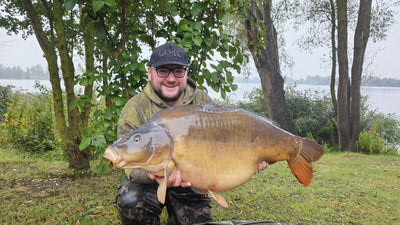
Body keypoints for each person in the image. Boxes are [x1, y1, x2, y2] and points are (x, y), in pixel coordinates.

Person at [115, 42, 268, 225]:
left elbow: (222, 147)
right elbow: (130, 167)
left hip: (192, 183)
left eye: (178, 71)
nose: (171, 79)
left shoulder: (202, 101)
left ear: (186, 72)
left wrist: (252, 158)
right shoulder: (135, 108)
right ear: (150, 72)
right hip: (147, 183)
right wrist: (155, 174)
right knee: (131, 202)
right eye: (163, 71)